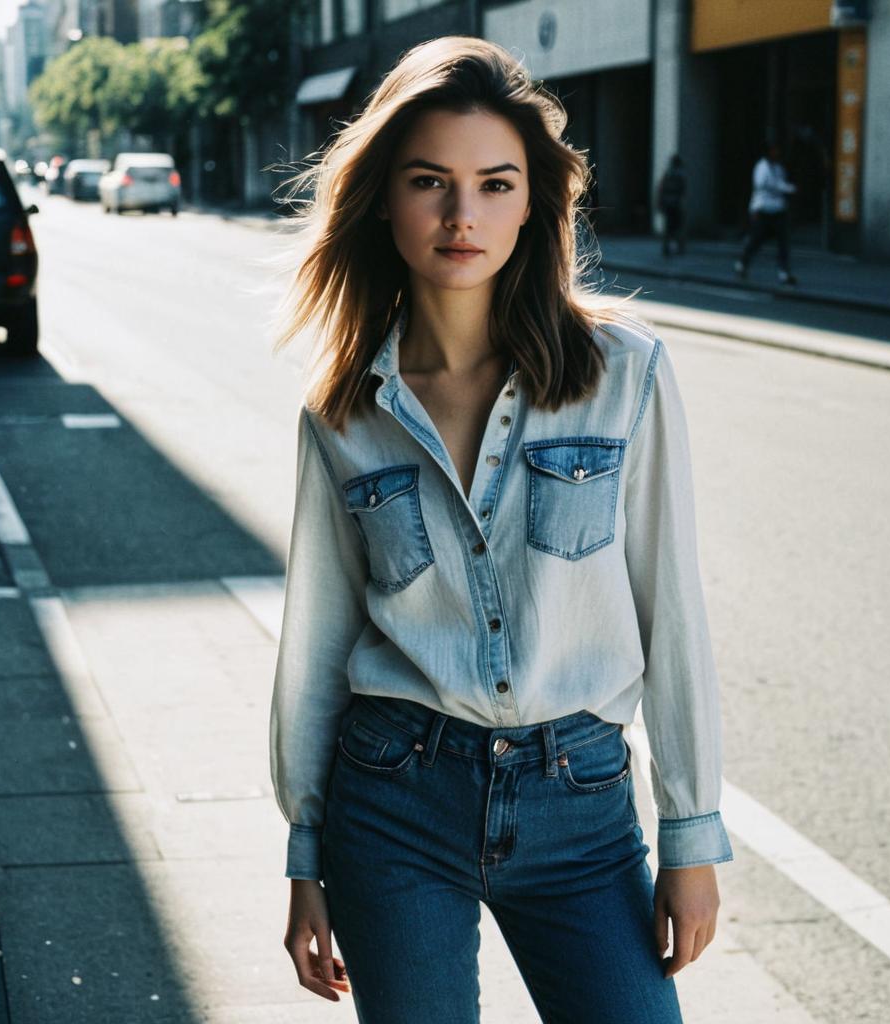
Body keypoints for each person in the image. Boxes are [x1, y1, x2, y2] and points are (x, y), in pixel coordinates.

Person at [268, 35, 733, 1024]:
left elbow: (673, 612)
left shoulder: (624, 375)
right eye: (429, 181)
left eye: (493, 182)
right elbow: (314, 644)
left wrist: (690, 833)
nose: (460, 214)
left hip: (581, 808)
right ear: (384, 199)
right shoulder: (344, 412)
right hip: (392, 800)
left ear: (533, 201)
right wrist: (306, 855)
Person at [734, 140, 798, 285]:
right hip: (763, 209)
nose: (776, 153)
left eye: (777, 150)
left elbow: (781, 183)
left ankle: (784, 272)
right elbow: (763, 184)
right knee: (756, 240)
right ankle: (742, 263)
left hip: (778, 209)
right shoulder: (761, 167)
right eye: (774, 150)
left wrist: (786, 189)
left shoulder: (778, 168)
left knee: (783, 242)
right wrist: (785, 188)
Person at [658, 153, 686, 256]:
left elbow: (661, 189)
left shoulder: (668, 173)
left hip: (668, 203)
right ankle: (678, 247)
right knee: (677, 226)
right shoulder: (680, 174)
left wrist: (661, 203)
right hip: (675, 204)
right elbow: (683, 190)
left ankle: (667, 248)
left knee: (669, 228)